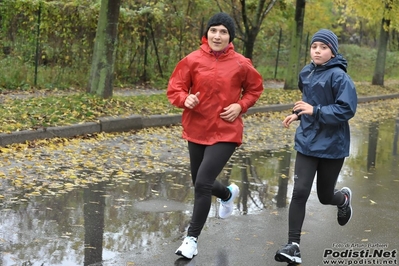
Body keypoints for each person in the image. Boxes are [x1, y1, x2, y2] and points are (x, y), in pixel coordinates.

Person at [167, 12, 264, 260]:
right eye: (214, 30)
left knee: (202, 184)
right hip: (196, 129)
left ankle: (192, 239)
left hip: (226, 130)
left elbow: (255, 88)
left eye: (223, 31)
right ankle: (227, 194)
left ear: (230, 36)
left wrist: (240, 106)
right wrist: (184, 99)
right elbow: (175, 88)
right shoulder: (191, 60)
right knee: (202, 182)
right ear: (206, 33)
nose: (217, 35)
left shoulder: (241, 63)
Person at [275, 29, 358, 264]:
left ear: (332, 52)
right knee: (299, 191)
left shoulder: (339, 77)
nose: (317, 51)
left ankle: (342, 200)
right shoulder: (306, 72)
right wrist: (298, 114)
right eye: (314, 47)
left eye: (323, 47)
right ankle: (293, 246)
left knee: (324, 196)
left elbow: (346, 109)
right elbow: (309, 102)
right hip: (307, 141)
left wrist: (315, 111)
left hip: (333, 145)